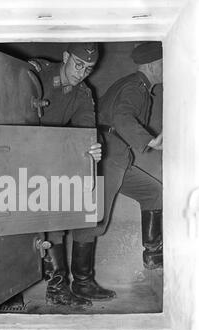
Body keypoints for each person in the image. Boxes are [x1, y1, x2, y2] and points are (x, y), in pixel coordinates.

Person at [69, 41, 163, 303]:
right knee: (94, 216)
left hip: (118, 155)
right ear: (155, 65)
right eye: (164, 65)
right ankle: (82, 282)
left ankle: (154, 256)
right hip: (107, 155)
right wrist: (152, 140)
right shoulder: (135, 87)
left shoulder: (138, 85)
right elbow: (122, 118)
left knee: (154, 192)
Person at [29, 43, 116, 308]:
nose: (82, 72)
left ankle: (82, 282)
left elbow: (85, 129)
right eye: (78, 64)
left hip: (57, 156)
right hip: (25, 156)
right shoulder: (37, 74)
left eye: (89, 68)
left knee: (85, 205)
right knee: (53, 211)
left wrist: (94, 145)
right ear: (65, 57)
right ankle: (57, 288)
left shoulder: (82, 93)